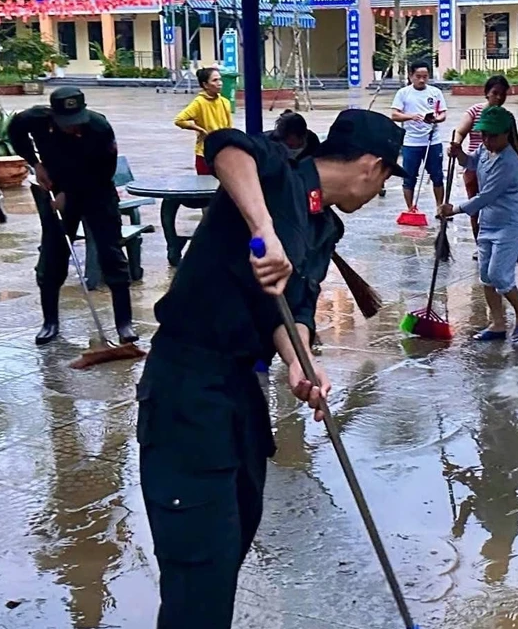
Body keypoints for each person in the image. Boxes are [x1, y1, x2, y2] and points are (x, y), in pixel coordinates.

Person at [136, 109, 406, 627]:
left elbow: (295, 311)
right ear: (373, 167)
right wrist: (265, 231)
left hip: (241, 393)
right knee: (199, 572)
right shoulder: (276, 172)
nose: (381, 191)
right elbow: (223, 146)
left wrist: (301, 365)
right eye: (388, 178)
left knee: (230, 544)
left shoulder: (324, 226)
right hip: (187, 391)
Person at [9, 87, 138, 346]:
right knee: (53, 253)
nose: (73, 129)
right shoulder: (35, 119)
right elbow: (16, 131)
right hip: (56, 191)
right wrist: (35, 163)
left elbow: (104, 171)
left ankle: (124, 323)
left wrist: (70, 194)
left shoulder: (99, 127)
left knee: (111, 253)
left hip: (97, 193)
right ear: (53, 116)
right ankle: (50, 322)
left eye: (77, 122)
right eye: (67, 124)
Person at [438, 106, 518, 342]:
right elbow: (471, 163)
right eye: (483, 134)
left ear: (506, 134)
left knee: (499, 274)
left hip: (511, 223)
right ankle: (497, 323)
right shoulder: (484, 149)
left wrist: (454, 209)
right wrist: (458, 153)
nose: (487, 139)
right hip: (489, 222)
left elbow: (486, 196)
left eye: (492, 135)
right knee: (485, 275)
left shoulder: (509, 162)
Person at [450, 75, 518, 252]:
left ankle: (504, 244)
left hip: (497, 168)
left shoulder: (506, 120)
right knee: (476, 209)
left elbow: (515, 142)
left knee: (493, 204)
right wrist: (457, 148)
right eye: (495, 93)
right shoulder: (475, 114)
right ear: (486, 93)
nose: (498, 98)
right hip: (477, 164)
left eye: (502, 94)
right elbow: (460, 132)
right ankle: (480, 245)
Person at [391, 61, 448, 214]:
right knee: (409, 177)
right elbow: (394, 115)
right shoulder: (403, 93)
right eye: (418, 76)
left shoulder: (435, 92)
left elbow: (443, 113)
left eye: (425, 76)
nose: (422, 80)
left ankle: (439, 207)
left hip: (433, 140)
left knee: (437, 175)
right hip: (411, 142)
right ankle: (410, 209)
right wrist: (411, 117)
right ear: (411, 76)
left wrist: (437, 119)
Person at [174, 67, 234, 174]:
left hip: (222, 152)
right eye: (215, 80)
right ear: (205, 85)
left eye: (220, 80)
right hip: (204, 153)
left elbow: (229, 127)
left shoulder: (225, 102)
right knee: (204, 186)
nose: (220, 83)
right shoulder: (199, 103)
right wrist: (200, 129)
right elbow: (179, 120)